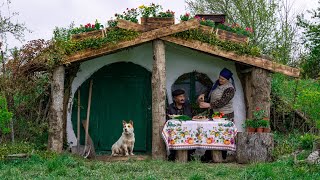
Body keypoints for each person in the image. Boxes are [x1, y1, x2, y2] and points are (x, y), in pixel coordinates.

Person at [198, 68, 236, 160]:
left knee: (223, 135)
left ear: (228, 80)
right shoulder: (216, 83)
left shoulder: (230, 89)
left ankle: (221, 156)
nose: (220, 80)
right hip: (215, 114)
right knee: (212, 133)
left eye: (223, 79)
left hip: (226, 115)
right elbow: (209, 90)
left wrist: (208, 105)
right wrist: (203, 94)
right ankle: (209, 155)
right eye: (220, 78)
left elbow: (222, 102)